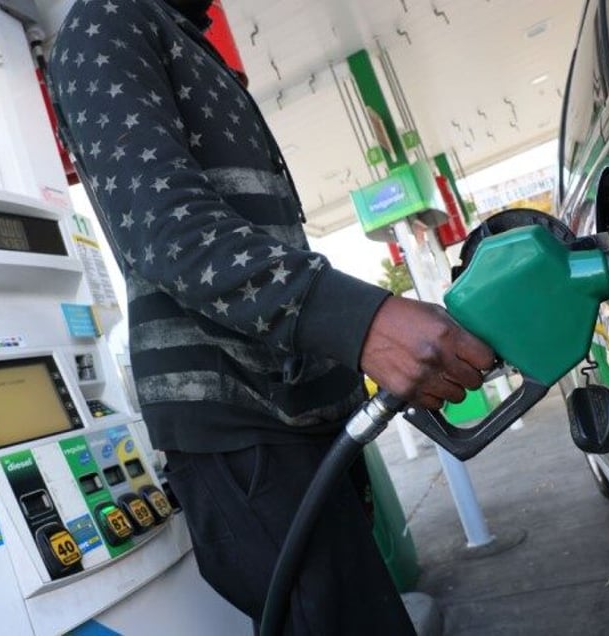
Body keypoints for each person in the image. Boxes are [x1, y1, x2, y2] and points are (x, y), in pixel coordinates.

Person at [47, 1, 494, 633]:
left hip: (291, 416)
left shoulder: (183, 37)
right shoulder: (109, 19)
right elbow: (170, 229)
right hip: (243, 430)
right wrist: (361, 322)